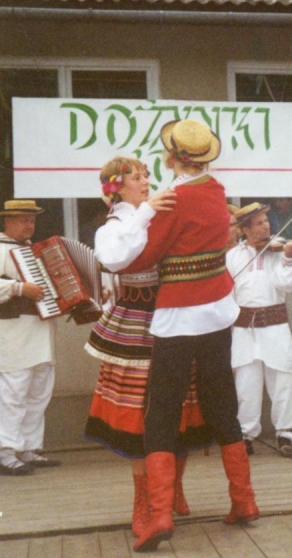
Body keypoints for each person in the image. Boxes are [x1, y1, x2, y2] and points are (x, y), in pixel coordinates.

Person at [121, 119, 258, 552]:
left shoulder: (172, 200)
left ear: (175, 158)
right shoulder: (217, 192)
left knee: (161, 410)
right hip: (218, 308)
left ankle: (160, 514)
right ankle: (244, 501)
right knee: (222, 401)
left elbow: (141, 256)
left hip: (178, 313)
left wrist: (128, 223)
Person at [83, 156, 214, 536]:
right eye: (136, 177)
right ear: (115, 187)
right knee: (141, 412)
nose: (145, 182)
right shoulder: (114, 225)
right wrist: (146, 215)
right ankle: (144, 501)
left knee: (182, 403)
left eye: (145, 176)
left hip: (173, 313)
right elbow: (112, 258)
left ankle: (173, 487)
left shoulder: (157, 212)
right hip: (136, 323)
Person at [227, 202, 292, 458]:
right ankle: (246, 434)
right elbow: (228, 294)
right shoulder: (233, 256)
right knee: (246, 384)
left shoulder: (279, 250)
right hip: (245, 328)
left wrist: (289, 257)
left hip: (275, 325)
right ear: (245, 229)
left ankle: (285, 434)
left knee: (281, 381)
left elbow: (288, 285)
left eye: (266, 222)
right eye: (258, 223)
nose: (266, 226)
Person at [0, 199, 60, 476]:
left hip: (40, 328)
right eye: (22, 219)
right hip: (13, 332)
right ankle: (5, 451)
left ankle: (27, 447)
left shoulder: (35, 251)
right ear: (7, 221)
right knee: (13, 392)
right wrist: (18, 288)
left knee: (38, 391)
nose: (28, 225)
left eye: (31, 220)